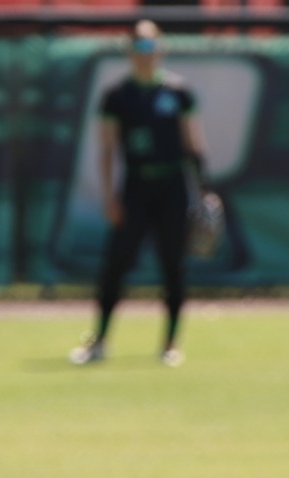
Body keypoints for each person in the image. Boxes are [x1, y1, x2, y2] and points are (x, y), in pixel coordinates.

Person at [70, 20, 206, 369]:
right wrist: (109, 195)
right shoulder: (117, 96)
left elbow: (193, 144)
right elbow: (107, 149)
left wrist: (203, 192)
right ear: (129, 52)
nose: (145, 54)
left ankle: (171, 343)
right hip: (136, 186)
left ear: (160, 49)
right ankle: (99, 340)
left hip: (172, 186)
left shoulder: (178, 91)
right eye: (138, 47)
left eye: (150, 46)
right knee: (115, 264)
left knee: (173, 266)